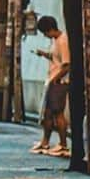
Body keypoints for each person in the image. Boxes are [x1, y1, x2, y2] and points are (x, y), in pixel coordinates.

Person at [32, 15, 70, 155]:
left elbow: (66, 65)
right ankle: (45, 142)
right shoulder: (55, 41)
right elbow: (57, 59)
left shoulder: (63, 41)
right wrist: (44, 54)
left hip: (59, 81)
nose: (45, 36)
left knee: (58, 112)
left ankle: (63, 144)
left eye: (45, 32)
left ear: (50, 29)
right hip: (52, 80)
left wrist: (55, 79)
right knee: (48, 113)